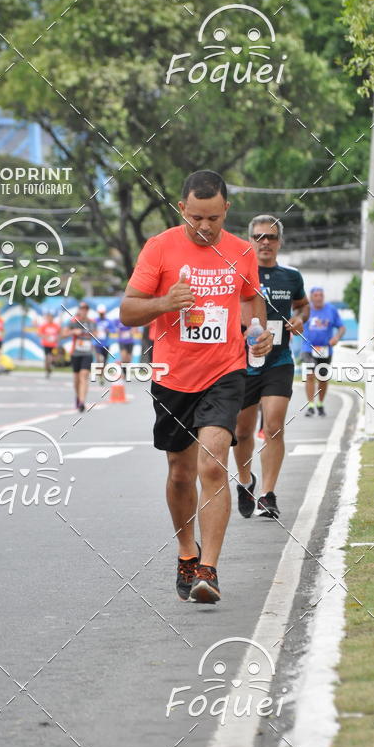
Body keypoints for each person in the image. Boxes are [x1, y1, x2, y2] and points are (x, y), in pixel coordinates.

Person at [120, 169, 272, 604]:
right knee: (180, 472)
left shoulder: (242, 251)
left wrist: (258, 331)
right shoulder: (160, 248)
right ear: (181, 208)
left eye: (213, 219)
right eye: (196, 218)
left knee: (211, 465)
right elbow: (128, 311)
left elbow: (248, 297)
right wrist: (164, 303)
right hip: (173, 376)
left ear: (226, 210)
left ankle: (210, 570)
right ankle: (188, 552)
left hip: (225, 373)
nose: (205, 227)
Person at [233, 215, 309, 520]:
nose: (265, 242)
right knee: (242, 430)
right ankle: (246, 481)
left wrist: (300, 318)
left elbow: (302, 304)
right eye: (259, 236)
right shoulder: (235, 272)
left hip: (278, 361)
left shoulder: (290, 276)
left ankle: (268, 495)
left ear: (279, 242)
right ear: (249, 239)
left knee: (274, 425)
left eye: (271, 237)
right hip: (242, 362)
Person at [303, 287, 346, 417]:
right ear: (311, 298)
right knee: (310, 375)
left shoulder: (331, 310)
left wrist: (336, 337)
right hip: (308, 348)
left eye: (321, 295)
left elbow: (342, 327)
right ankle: (310, 405)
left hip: (326, 349)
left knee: (323, 378)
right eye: (315, 295)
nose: (319, 297)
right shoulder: (306, 309)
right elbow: (296, 322)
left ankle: (320, 404)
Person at [62, 301, 96, 412]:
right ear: (79, 310)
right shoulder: (73, 322)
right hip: (75, 353)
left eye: (86, 309)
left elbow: (96, 334)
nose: (84, 310)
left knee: (84, 376)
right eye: (82, 308)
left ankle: (82, 401)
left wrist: (92, 334)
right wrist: (73, 332)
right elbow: (63, 334)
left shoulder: (92, 322)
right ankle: (78, 396)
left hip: (87, 353)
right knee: (76, 379)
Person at [38, 311, 61, 378]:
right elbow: (39, 333)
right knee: (47, 357)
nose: (50, 319)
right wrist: (45, 337)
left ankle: (50, 367)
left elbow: (60, 334)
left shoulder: (56, 326)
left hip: (53, 345)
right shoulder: (44, 325)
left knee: (52, 358)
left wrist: (57, 339)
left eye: (51, 317)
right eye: (48, 317)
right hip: (46, 344)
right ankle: (47, 370)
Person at [94, 304, 113, 376]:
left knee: (104, 360)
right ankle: (99, 372)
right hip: (97, 343)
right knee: (99, 359)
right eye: (100, 313)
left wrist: (108, 330)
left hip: (106, 344)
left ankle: (103, 372)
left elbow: (113, 330)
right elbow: (91, 330)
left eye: (102, 313)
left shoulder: (109, 321)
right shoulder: (95, 321)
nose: (101, 315)